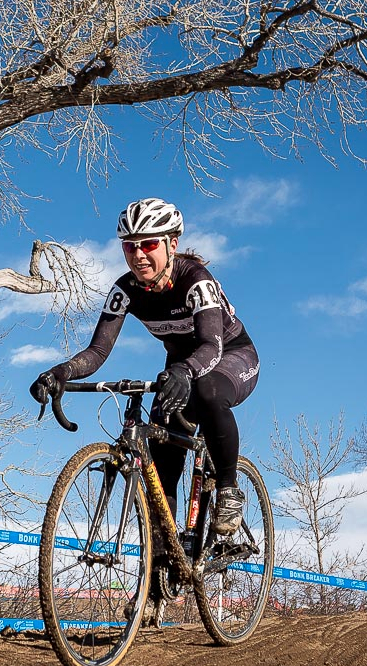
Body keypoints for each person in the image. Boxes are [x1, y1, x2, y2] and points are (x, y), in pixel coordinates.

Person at [29, 197, 260, 538]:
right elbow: (97, 350)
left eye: (149, 244)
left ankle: (228, 488)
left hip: (230, 357)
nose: (138, 256)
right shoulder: (125, 290)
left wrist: (185, 371)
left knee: (207, 390)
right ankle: (164, 552)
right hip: (180, 366)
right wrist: (60, 373)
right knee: (162, 466)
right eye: (129, 247)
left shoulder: (195, 281)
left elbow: (212, 345)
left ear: (172, 244)